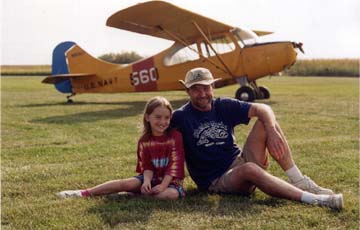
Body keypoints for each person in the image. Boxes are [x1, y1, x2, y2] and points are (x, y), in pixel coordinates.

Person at [171, 67, 343, 209]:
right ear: (187, 91)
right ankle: (317, 200)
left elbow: (263, 108)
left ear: (213, 88)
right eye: (195, 89)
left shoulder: (222, 105)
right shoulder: (181, 116)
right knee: (250, 169)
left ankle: (298, 180)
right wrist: (151, 179)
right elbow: (158, 135)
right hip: (215, 180)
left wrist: (271, 130)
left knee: (266, 121)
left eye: (206, 87)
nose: (202, 94)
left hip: (240, 160)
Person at [57, 96, 185, 200]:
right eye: (158, 117)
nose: (163, 122)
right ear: (147, 117)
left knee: (170, 195)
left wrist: (163, 186)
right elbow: (147, 167)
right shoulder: (144, 141)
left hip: (170, 183)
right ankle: (83, 193)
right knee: (126, 184)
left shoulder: (175, 137)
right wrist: (146, 181)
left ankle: (132, 196)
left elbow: (174, 165)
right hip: (151, 178)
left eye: (167, 118)